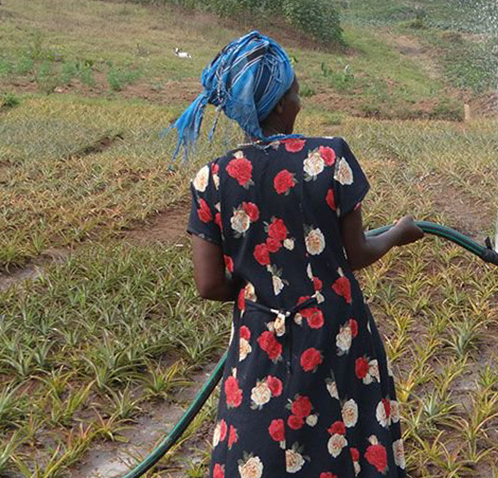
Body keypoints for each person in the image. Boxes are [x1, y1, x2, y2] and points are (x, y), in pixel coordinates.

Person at [175, 31, 423, 478]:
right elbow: (358, 252)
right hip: (337, 335)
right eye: (295, 89)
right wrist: (399, 234)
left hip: (261, 336)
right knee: (348, 437)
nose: (300, 98)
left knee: (259, 442)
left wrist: (261, 290)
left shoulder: (211, 178)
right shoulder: (328, 156)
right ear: (282, 104)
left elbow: (209, 285)